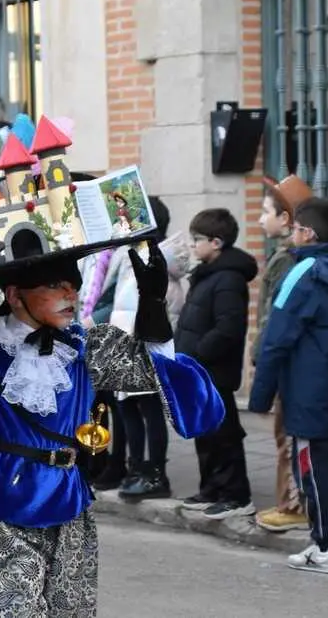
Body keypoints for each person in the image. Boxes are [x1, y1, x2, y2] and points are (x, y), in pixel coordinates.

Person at [0, 243, 225, 616]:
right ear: (14, 295)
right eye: (55, 285)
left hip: (70, 508)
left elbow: (171, 380)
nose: (70, 295)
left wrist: (153, 305)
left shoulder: (88, 350)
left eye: (73, 286)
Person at [249, 197, 328, 574]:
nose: (293, 236)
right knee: (320, 449)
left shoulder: (301, 273)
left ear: (307, 232)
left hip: (305, 381)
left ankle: (324, 545)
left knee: (309, 459)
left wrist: (260, 394)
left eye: (297, 230)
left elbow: (277, 335)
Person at [176, 208, 258, 520]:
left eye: (197, 239)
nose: (192, 245)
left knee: (223, 436)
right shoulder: (207, 274)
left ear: (216, 242)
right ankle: (211, 487)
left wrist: (196, 352)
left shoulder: (227, 279)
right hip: (196, 371)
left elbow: (228, 328)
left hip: (213, 372)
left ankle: (236, 495)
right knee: (205, 434)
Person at [110, 197, 191, 501]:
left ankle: (156, 472)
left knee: (150, 411)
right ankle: (136, 467)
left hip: (146, 351)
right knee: (127, 409)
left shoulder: (159, 265)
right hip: (125, 349)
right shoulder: (133, 258)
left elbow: (162, 311)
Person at [253, 174, 314, 533]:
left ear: (287, 219)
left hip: (287, 363)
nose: (260, 219)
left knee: (288, 435)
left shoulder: (286, 261)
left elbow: (275, 317)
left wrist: (263, 356)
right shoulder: (283, 257)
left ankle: (294, 505)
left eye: (266, 211)